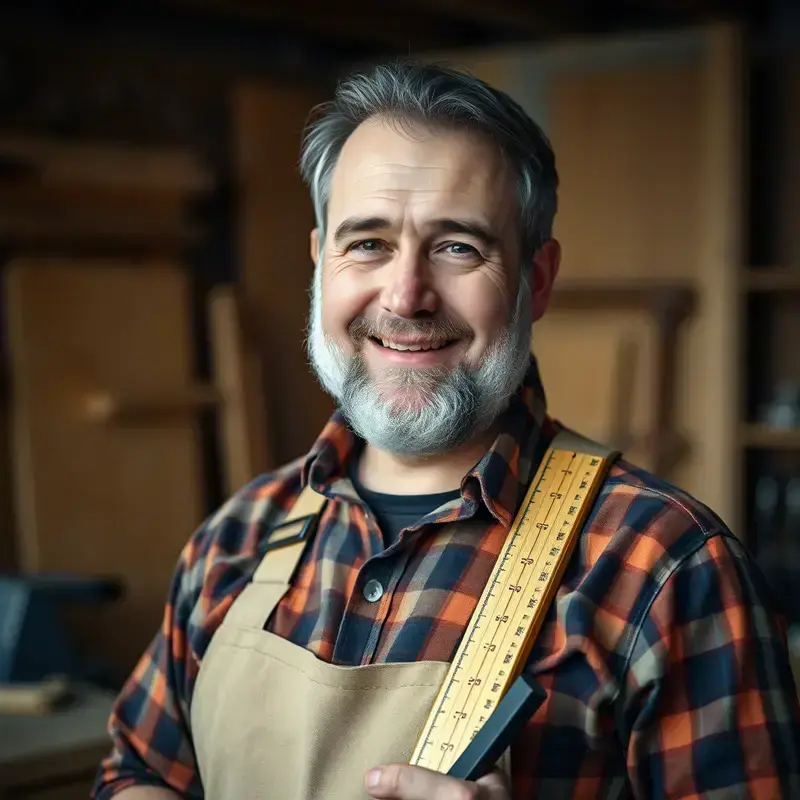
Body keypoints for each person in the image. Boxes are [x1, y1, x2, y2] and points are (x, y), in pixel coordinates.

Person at [91, 61, 800, 800]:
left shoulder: (665, 567)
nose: (406, 296)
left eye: (458, 246)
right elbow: (136, 772)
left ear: (537, 279)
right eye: (367, 243)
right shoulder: (234, 540)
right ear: (321, 263)